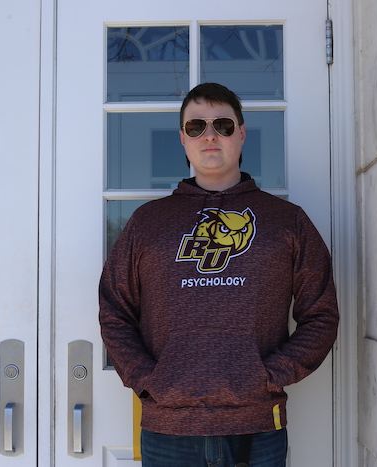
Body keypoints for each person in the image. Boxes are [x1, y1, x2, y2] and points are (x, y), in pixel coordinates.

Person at [99, 83, 339, 467]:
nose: (209, 135)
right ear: (182, 139)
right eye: (196, 127)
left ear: (241, 133)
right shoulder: (148, 223)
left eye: (222, 124)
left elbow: (322, 315)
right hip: (168, 427)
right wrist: (147, 380)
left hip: (257, 427)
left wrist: (268, 375)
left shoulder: (287, 222)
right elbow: (114, 311)